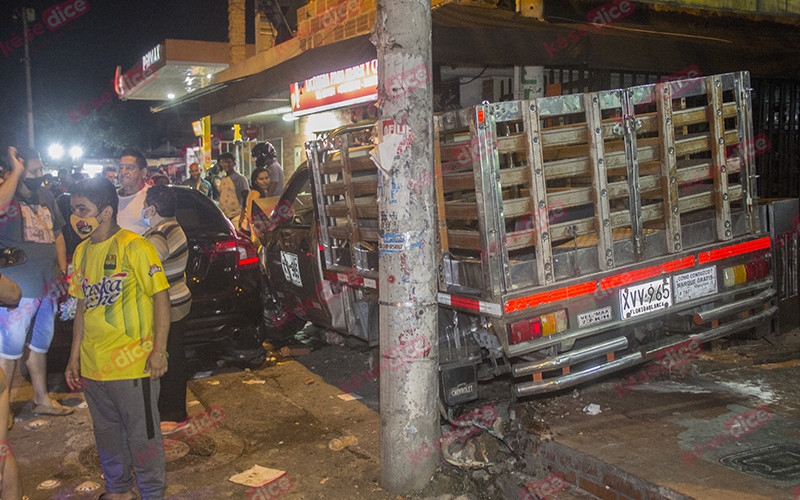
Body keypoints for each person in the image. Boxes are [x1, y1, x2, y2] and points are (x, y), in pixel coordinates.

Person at [65, 177, 170, 500]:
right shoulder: (81, 252)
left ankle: (152, 492)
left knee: (143, 437)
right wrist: (74, 357)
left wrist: (159, 352)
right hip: (95, 368)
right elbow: (82, 306)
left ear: (107, 211)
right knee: (108, 435)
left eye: (83, 209)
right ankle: (119, 490)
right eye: (73, 209)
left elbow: (161, 298)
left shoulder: (136, 247)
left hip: (133, 365)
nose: (76, 216)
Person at [0, 146, 73, 425]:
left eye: (41, 170)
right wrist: (16, 175)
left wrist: (61, 270)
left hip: (47, 288)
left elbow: (57, 234)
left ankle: (41, 399)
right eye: (34, 171)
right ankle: (2, 410)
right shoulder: (7, 195)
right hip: (16, 291)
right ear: (15, 170)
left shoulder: (45, 195)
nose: (40, 175)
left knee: (39, 346)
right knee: (8, 352)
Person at [142, 185, 191, 427]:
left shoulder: (159, 234)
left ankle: (170, 413)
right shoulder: (175, 226)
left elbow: (151, 263)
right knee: (176, 356)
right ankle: (176, 410)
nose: (143, 210)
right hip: (180, 300)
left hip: (168, 306)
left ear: (152, 208)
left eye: (145, 206)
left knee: (167, 359)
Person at [117, 149, 150, 235]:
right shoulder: (111, 196)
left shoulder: (151, 197)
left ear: (143, 172)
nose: (123, 172)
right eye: (120, 168)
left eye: (129, 168)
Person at [238, 167, 270, 240]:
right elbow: (250, 215)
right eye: (261, 179)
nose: (265, 181)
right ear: (255, 181)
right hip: (248, 231)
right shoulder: (256, 193)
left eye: (267, 178)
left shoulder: (262, 192)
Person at [217, 152, 249, 224]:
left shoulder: (240, 179)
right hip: (225, 217)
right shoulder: (223, 179)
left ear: (234, 163)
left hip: (237, 215)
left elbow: (246, 197)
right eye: (224, 162)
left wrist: (242, 216)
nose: (226, 164)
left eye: (229, 162)